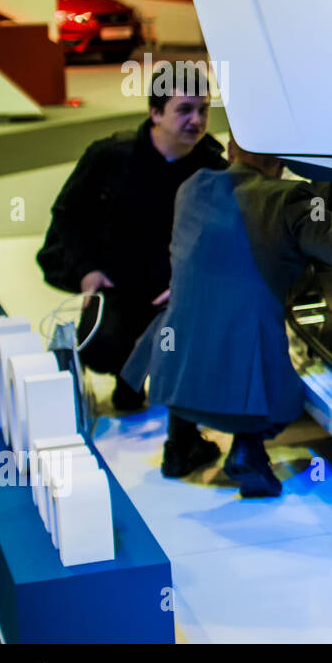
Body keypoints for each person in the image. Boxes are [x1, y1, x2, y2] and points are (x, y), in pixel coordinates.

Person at [122, 140, 332, 496]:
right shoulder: (293, 199)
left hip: (170, 374)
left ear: (232, 152)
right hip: (246, 387)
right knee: (258, 352)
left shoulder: (192, 188)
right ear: (280, 161)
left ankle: (178, 445)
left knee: (197, 317)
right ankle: (247, 450)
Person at [36, 65, 226, 409]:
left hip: (176, 284)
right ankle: (129, 375)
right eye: (184, 110)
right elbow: (68, 215)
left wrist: (193, 282)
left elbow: (226, 238)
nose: (196, 121)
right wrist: (87, 271)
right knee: (102, 346)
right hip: (117, 280)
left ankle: (170, 387)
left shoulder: (213, 168)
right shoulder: (111, 156)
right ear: (155, 112)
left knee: (203, 341)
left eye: (203, 109)